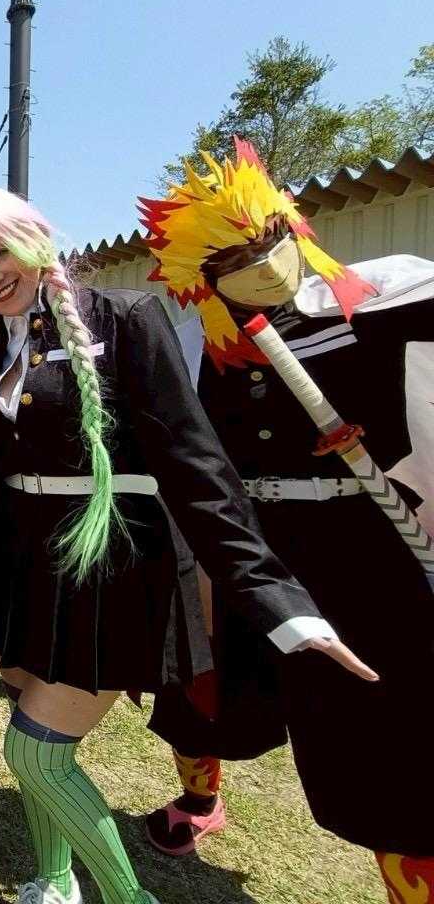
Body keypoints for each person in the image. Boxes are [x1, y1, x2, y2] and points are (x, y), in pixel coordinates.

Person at [0, 187, 376, 904]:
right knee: (33, 731)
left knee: (36, 753)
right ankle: (53, 880)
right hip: (23, 574)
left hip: (112, 571)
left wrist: (275, 599)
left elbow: (196, 464)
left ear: (35, 239)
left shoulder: (126, 316)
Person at [136, 139, 434, 899]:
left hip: (365, 547)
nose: (262, 263)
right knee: (200, 690)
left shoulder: (392, 295)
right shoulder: (188, 344)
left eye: (268, 240)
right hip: (234, 546)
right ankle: (200, 798)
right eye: (234, 258)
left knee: (390, 743)